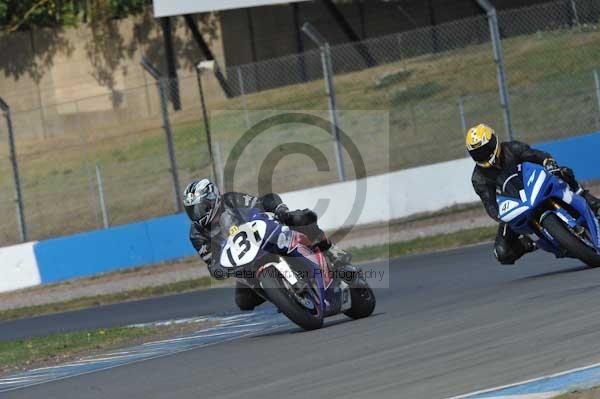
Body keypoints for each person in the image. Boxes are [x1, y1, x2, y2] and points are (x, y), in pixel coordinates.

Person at [183, 178, 353, 311]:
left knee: (299, 218)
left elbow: (262, 202)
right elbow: (212, 262)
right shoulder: (196, 234)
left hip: (264, 237)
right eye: (192, 210)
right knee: (243, 301)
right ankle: (284, 296)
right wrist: (218, 269)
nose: (197, 214)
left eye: (200, 207)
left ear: (212, 199)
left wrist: (280, 211)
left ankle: (331, 252)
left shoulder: (230, 200)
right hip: (244, 264)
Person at [466, 124, 600, 265]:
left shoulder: (512, 148)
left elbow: (537, 156)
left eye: (485, 149)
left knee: (563, 172)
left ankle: (589, 200)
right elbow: (490, 205)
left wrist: (548, 163)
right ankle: (534, 243)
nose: (483, 155)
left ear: (495, 141)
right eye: (478, 153)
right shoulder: (478, 178)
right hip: (514, 206)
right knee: (501, 253)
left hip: (532, 186)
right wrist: (499, 215)